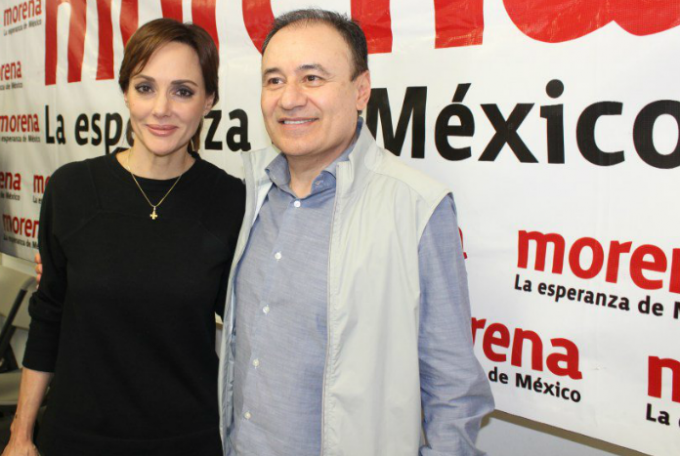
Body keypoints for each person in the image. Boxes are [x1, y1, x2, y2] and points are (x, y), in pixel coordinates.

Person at [217, 9, 494, 456]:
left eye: (312, 78)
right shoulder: (252, 191)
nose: (289, 98)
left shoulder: (416, 207)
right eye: (274, 80)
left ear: (361, 90)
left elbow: (453, 388)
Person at [3, 18, 245, 456]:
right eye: (145, 87)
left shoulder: (230, 200)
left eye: (183, 91)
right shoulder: (71, 189)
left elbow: (248, 325)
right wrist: (21, 435)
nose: (161, 109)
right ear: (126, 92)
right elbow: (49, 316)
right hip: (76, 437)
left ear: (209, 100)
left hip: (188, 440)